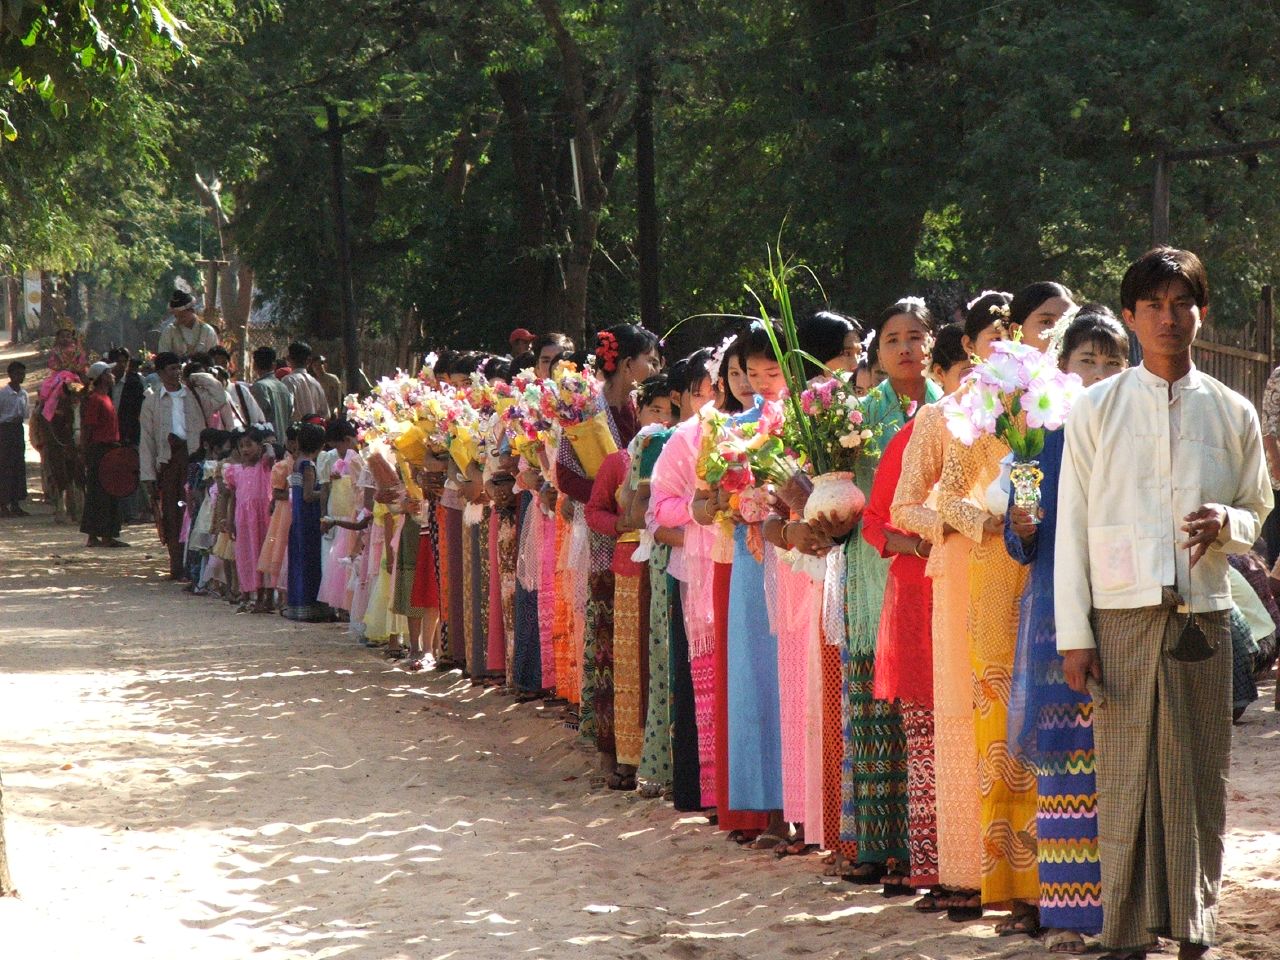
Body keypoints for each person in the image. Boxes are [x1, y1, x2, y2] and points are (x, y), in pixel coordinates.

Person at [1055, 247, 1271, 960]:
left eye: (1182, 303)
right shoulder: (1096, 409)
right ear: (1129, 317)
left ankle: (1192, 926)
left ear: (1201, 312)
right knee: (1122, 777)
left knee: (1197, 774)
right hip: (1117, 615)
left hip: (1204, 612)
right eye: (1153, 305)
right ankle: (1122, 928)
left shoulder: (1233, 410)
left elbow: (1258, 509)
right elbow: (1072, 529)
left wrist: (1227, 524)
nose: (1169, 318)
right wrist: (1072, 634)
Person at [1004, 307, 1129, 953]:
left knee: (1127, 769)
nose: (1102, 374)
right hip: (1060, 622)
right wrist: (1021, 527)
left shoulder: (1141, 429)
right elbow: (1020, 537)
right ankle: (1072, 915)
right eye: (1089, 361)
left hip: (1131, 617)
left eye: (1113, 362)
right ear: (1061, 368)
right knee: (1069, 775)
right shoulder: (1040, 433)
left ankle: (1131, 908)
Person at [139, 351, 213, 579]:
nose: (176, 372)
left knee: (196, 511)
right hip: (169, 463)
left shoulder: (194, 394)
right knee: (173, 513)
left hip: (193, 460)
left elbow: (219, 398)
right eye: (171, 368)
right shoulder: (152, 400)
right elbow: (147, 439)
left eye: (178, 367)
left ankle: (195, 567)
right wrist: (148, 475)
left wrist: (198, 376)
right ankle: (177, 565)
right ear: (160, 373)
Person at [79, 361, 128, 548]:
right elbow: (88, 428)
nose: (113, 375)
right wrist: (85, 451)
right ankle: (99, 535)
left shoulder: (106, 398)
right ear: (102, 377)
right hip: (100, 450)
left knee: (106, 491)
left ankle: (103, 533)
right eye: (109, 372)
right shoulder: (96, 399)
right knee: (100, 492)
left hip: (110, 449)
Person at [284, 422, 328, 621]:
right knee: (310, 562)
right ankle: (312, 606)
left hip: (298, 519)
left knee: (299, 562)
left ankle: (298, 604)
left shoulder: (296, 462)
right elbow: (309, 495)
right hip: (309, 519)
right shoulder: (308, 465)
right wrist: (328, 491)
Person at [0, 361, 30, 517]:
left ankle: (16, 503)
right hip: (5, 430)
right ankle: (3, 504)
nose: (21, 377)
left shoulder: (24, 394)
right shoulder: (3, 393)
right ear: (11, 375)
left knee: (18, 465)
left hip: (18, 430)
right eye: (18, 374)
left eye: (23, 374)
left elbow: (25, 414)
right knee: (5, 466)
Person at [250, 346, 293, 440]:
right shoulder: (283, 387)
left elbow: (258, 417)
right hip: (283, 442)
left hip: (267, 443)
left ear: (254, 366)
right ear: (274, 365)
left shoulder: (259, 387)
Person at [159, 291, 219, 358]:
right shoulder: (169, 331)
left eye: (182, 316)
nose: (179, 320)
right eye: (176, 317)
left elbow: (215, 357)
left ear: (192, 311)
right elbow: (163, 357)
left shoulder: (207, 331)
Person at [281, 341, 328, 420]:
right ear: (309, 361)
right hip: (315, 429)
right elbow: (325, 414)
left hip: (296, 429)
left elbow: (286, 409)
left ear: (288, 359)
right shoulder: (315, 382)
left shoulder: (288, 381)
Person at [309, 353, 344, 419]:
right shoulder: (312, 381)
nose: (318, 367)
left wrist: (338, 412)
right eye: (315, 365)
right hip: (318, 414)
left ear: (325, 365)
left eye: (320, 364)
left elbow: (339, 397)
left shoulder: (333, 379)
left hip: (332, 413)